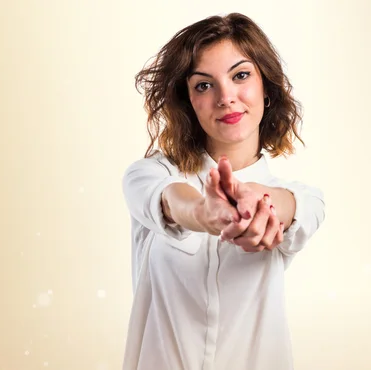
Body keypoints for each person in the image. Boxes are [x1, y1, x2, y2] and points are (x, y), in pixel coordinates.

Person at [121, 12, 326, 370]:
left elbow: (295, 209)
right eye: (204, 85)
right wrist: (204, 213)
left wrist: (260, 206)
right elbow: (170, 200)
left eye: (241, 75)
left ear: (267, 87)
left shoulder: (300, 197)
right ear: (188, 101)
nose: (226, 97)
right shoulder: (148, 173)